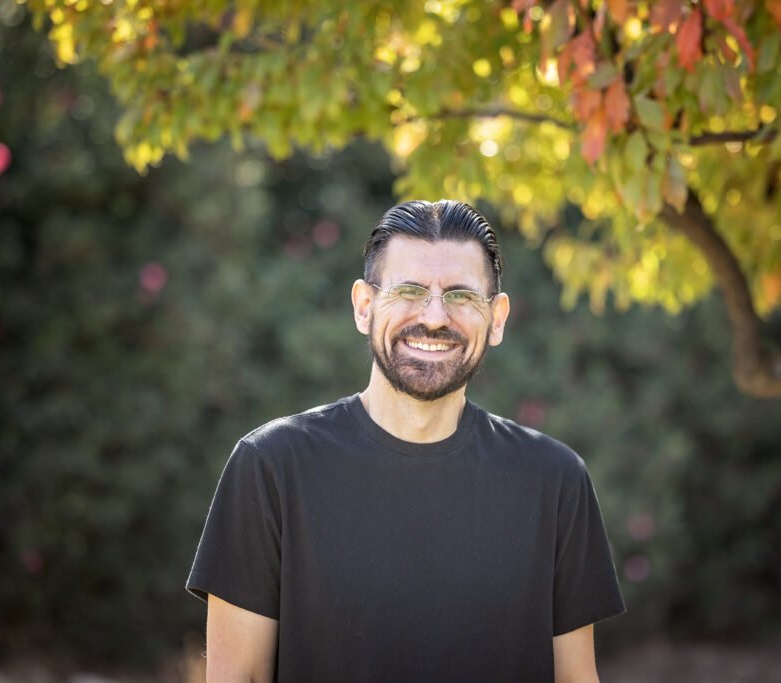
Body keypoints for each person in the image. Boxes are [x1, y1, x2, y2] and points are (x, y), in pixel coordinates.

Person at [187, 199, 625, 682]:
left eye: (460, 295)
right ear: (364, 306)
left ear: (497, 318)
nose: (435, 317)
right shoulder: (270, 467)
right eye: (410, 290)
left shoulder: (555, 479)